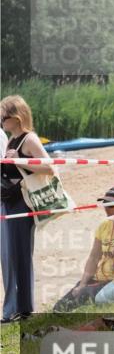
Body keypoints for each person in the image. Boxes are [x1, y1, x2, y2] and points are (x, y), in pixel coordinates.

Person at [1, 95, 52, 322]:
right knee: (14, 254)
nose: (1, 120)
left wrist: (19, 160)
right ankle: (20, 308)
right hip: (10, 201)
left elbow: (49, 167)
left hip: (23, 201)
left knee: (21, 253)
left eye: (3, 116)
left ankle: (25, 310)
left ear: (16, 117)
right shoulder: (11, 139)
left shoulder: (29, 139)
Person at [57, 192, 114, 309]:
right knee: (60, 307)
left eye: (111, 205)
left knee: (84, 298)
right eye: (105, 204)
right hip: (99, 278)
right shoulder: (104, 226)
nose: (106, 208)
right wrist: (83, 283)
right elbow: (93, 257)